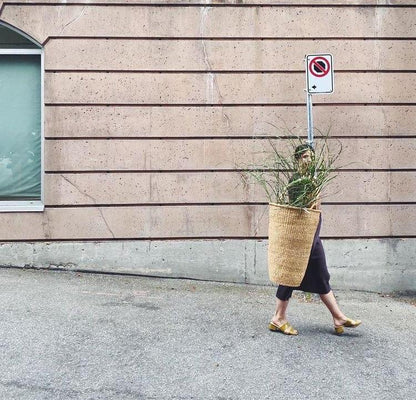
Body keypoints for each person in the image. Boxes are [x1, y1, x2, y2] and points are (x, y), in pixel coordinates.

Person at [268, 144, 361, 335]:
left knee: (321, 275)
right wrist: (313, 191)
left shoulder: (312, 181)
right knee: (291, 274)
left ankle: (338, 316)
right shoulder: (296, 181)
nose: (308, 160)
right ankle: (278, 318)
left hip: (313, 236)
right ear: (297, 160)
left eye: (310, 157)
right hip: (302, 238)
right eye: (303, 157)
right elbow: (302, 210)